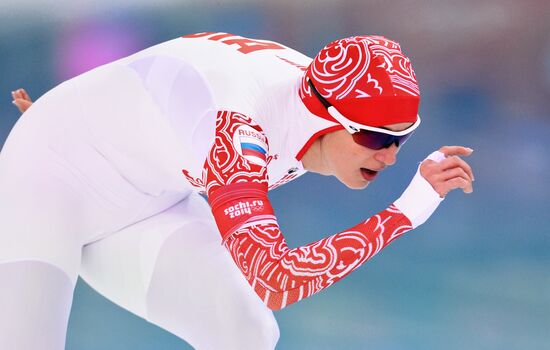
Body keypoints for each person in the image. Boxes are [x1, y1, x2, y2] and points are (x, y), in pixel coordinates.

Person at [1, 33, 474, 350]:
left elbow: (164, 81)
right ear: (328, 118)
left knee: (246, 334)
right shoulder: (237, 129)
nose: (390, 156)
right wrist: (407, 211)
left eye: (401, 137)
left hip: (150, 198)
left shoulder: (324, 86)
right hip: (51, 179)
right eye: (374, 138)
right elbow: (276, 281)